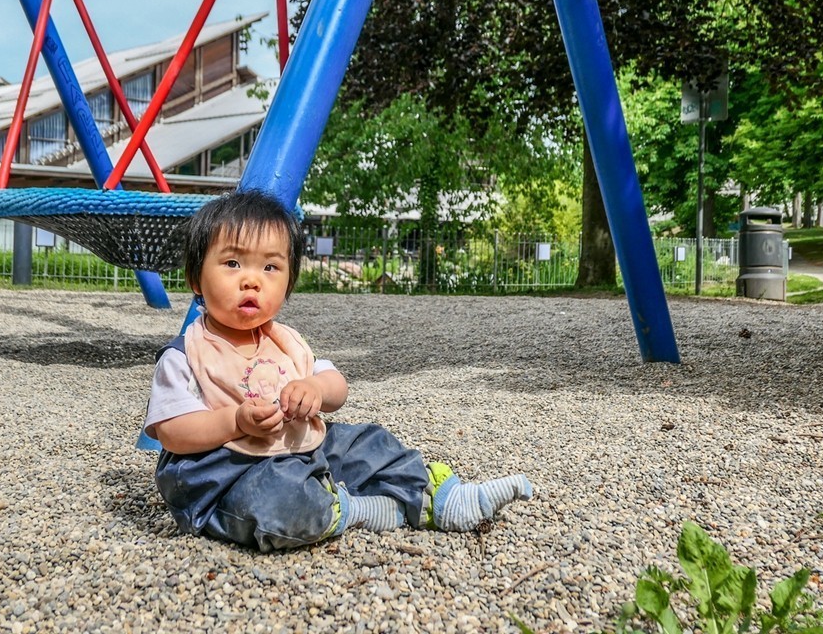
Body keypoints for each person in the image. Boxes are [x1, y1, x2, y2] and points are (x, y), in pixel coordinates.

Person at [144, 190, 532, 552]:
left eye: (270, 267)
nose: (252, 279)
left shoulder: (286, 342)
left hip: (303, 444)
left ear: (289, 281)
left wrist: (315, 388)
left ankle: (438, 497)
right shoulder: (186, 354)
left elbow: (337, 387)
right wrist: (236, 421)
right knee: (273, 504)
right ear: (196, 278)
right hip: (228, 470)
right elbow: (174, 433)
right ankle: (350, 509)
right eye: (232, 263)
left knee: (370, 443)